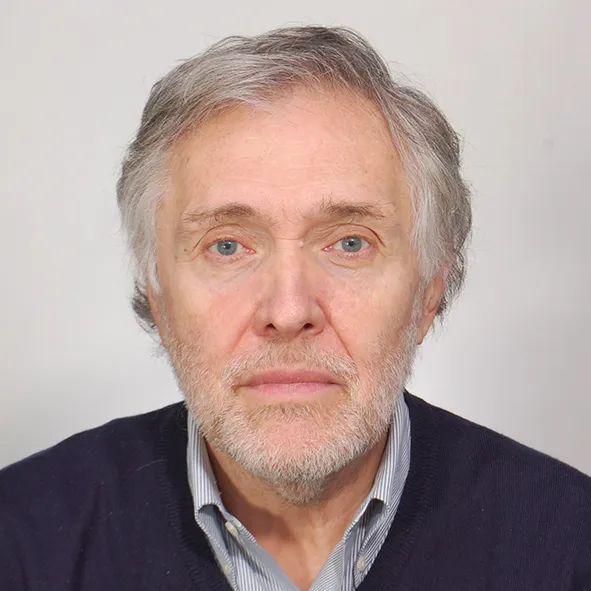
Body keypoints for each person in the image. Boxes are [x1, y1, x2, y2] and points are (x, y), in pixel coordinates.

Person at [1, 25, 589, 591]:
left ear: (428, 293)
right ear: (158, 295)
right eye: (227, 246)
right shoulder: (20, 541)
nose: (287, 312)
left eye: (350, 243)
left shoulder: (570, 548)